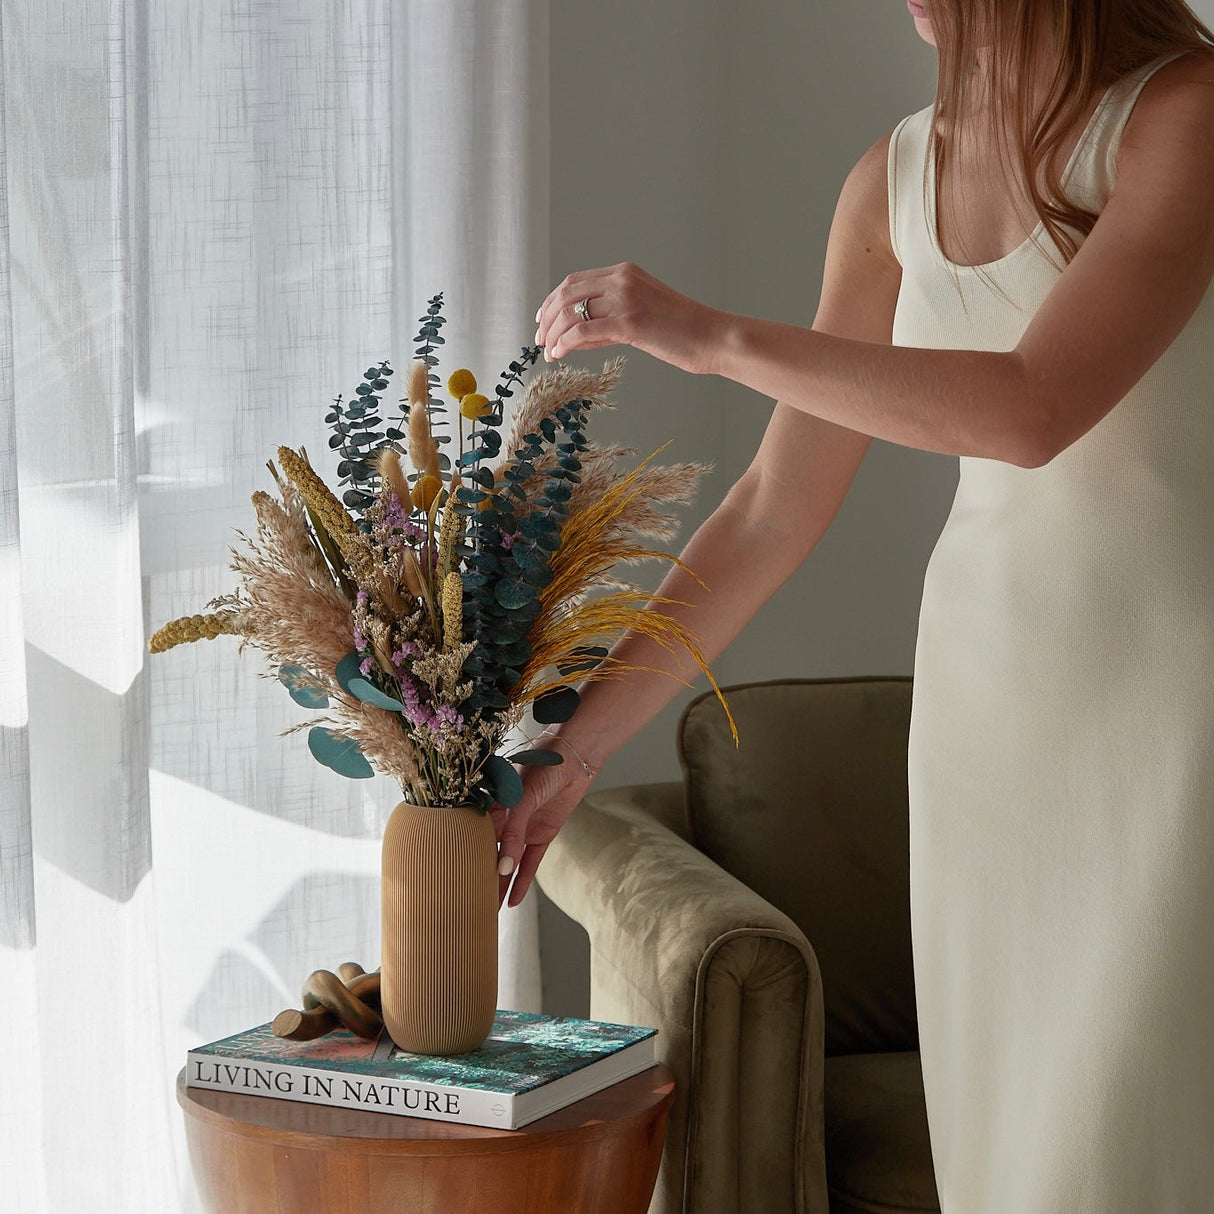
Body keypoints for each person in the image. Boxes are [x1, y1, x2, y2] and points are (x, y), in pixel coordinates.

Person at [496, 1, 1214, 1208]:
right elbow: (776, 504)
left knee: (1129, 1135)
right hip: (988, 718)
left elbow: (1031, 408)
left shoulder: (1182, 115)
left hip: (1171, 710)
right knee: (1010, 1149)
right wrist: (576, 747)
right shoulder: (889, 179)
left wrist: (711, 335)